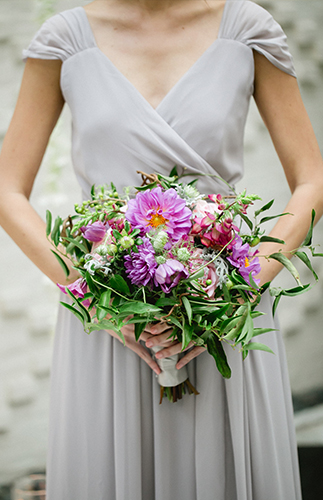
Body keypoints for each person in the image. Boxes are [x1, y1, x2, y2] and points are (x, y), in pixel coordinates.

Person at [0, 0, 323, 498]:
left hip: (226, 312)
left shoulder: (246, 30)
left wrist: (242, 286)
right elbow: (6, 189)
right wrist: (94, 298)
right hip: (108, 323)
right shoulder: (65, 40)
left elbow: (313, 179)